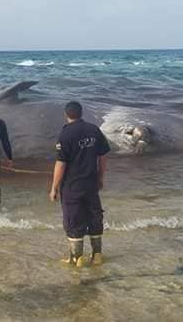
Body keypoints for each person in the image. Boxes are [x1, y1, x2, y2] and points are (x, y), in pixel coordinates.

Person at [49, 101, 110, 267]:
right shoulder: (94, 130)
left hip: (72, 185)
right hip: (91, 183)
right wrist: (100, 177)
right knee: (94, 216)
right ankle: (97, 254)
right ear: (81, 113)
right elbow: (103, 156)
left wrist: (54, 187)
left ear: (66, 114)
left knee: (73, 218)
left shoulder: (65, 134)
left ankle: (77, 258)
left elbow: (61, 164)